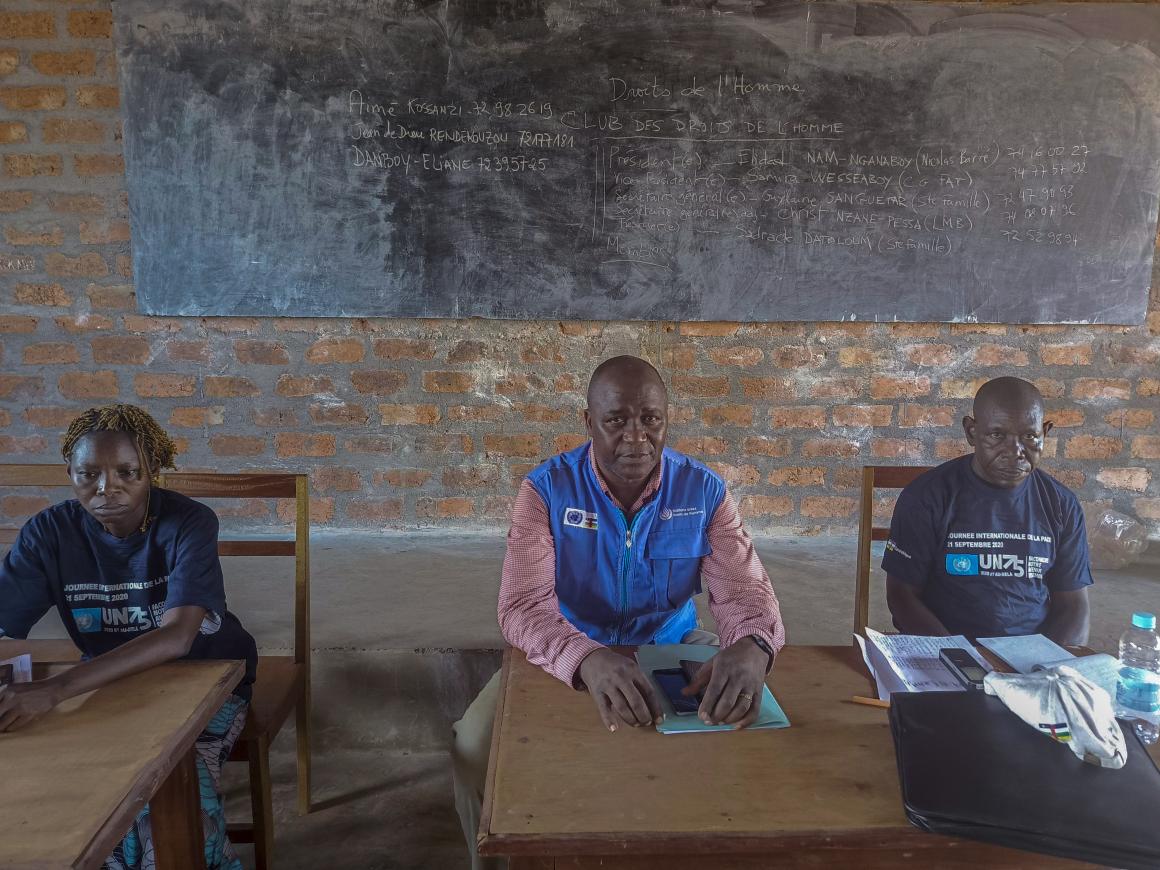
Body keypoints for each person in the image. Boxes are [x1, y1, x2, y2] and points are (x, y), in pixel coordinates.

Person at [451, 355, 785, 869]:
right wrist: (586, 657)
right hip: (568, 648)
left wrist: (753, 645)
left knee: (757, 728)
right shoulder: (546, 491)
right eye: (616, 420)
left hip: (671, 642)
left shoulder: (704, 492)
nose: (636, 438)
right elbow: (522, 606)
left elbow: (746, 594)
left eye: (651, 419)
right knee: (474, 750)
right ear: (588, 422)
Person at [0, 404, 257, 870]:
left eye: (127, 473)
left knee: (171, 788)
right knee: (84, 790)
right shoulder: (49, 533)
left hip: (205, 677)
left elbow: (177, 637)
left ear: (151, 470)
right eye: (88, 474)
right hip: (111, 682)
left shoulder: (188, 522)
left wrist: (53, 689)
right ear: (69, 472)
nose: (106, 488)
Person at [883, 376, 1092, 644]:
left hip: (1029, 654)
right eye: (997, 435)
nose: (1015, 451)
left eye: (1030, 436)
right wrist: (956, 654)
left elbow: (1073, 606)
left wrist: (1049, 663)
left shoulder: (1061, 504)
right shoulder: (927, 497)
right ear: (971, 432)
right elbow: (901, 595)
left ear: (1045, 433)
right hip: (944, 647)